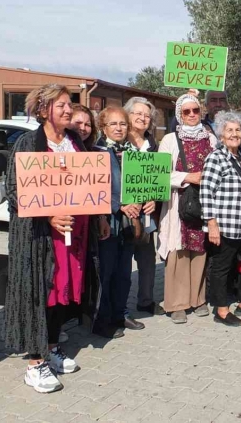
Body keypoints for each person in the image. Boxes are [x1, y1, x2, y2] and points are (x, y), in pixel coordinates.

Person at [4, 84, 110, 393]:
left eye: (69, 104)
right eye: (60, 105)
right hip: (41, 239)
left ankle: (51, 346)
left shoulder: (75, 141)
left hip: (74, 234)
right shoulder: (27, 143)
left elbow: (92, 184)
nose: (67, 110)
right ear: (42, 110)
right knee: (43, 292)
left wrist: (100, 216)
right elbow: (15, 191)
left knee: (64, 292)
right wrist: (48, 215)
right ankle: (35, 363)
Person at [200, 110, 241, 327]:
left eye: (238, 130)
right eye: (229, 130)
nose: (235, 134)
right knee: (221, 266)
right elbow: (206, 191)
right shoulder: (215, 157)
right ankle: (221, 310)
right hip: (225, 223)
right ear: (221, 135)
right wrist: (211, 222)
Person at [157, 94, 217, 324]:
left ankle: (198, 299)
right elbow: (161, 173)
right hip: (178, 202)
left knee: (200, 251)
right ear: (179, 115)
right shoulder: (170, 140)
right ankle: (177, 303)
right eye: (186, 112)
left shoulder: (210, 138)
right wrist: (189, 177)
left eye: (195, 110)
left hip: (204, 202)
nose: (192, 115)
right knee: (179, 252)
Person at [95, 106, 145, 336]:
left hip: (130, 221)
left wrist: (144, 201)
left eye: (123, 124)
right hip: (108, 221)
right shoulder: (97, 151)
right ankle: (102, 320)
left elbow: (144, 182)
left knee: (124, 272)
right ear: (103, 127)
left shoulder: (133, 152)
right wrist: (120, 205)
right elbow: (96, 187)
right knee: (107, 272)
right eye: (113, 124)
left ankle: (121, 313)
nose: (118, 128)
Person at [123, 97, 161, 315]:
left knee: (147, 260)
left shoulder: (153, 146)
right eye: (137, 113)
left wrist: (154, 198)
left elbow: (158, 178)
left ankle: (146, 301)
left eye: (146, 115)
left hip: (147, 215)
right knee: (123, 263)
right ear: (128, 115)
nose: (142, 118)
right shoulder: (117, 143)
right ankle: (120, 306)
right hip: (124, 213)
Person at [167, 90, 241, 159]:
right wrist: (188, 99)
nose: (218, 104)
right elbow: (177, 128)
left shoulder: (237, 128)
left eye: (222, 100)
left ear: (227, 104)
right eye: (213, 100)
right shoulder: (198, 127)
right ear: (206, 105)